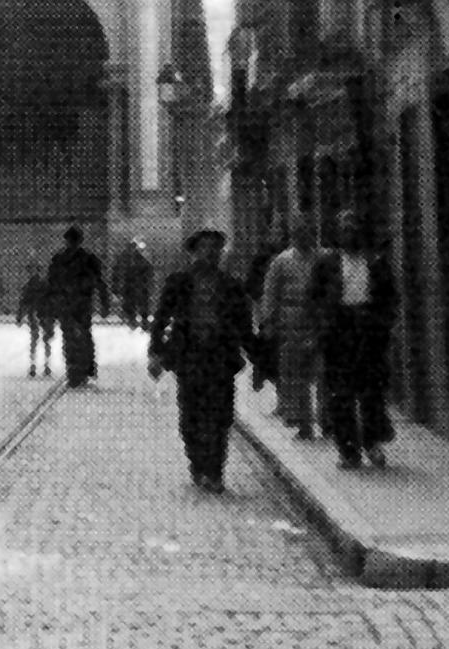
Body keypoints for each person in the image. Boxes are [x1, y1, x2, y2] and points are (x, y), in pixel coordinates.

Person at [148, 226, 256, 493]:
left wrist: (258, 359)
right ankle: (198, 463)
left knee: (221, 415)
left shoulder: (231, 285)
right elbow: (161, 317)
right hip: (190, 357)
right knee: (191, 415)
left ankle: (215, 470)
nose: (211, 253)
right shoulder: (179, 281)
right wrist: (155, 352)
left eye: (215, 248)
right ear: (194, 251)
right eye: (205, 247)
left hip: (220, 358)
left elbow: (243, 325)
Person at [311, 210, 398, 470]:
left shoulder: (375, 262)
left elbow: (390, 298)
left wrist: (382, 325)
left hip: (369, 333)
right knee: (341, 394)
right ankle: (348, 451)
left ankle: (372, 442)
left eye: (354, 228)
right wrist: (322, 327)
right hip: (339, 333)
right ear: (338, 233)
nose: (350, 234)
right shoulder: (327, 264)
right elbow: (313, 298)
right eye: (345, 229)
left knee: (372, 391)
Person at [257, 221, 321, 439]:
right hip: (290, 322)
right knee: (295, 374)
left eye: (308, 232)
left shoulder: (322, 259)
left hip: (318, 322)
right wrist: (268, 321)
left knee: (323, 372)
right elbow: (270, 292)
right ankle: (303, 422)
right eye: (299, 233)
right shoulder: (281, 262)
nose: (304, 237)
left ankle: (327, 418)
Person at [46, 225, 111, 388]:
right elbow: (100, 283)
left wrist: (51, 306)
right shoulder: (88, 259)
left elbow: (51, 285)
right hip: (79, 304)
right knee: (81, 337)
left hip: (69, 304)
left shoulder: (60, 259)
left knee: (72, 337)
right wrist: (104, 304)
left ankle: (76, 370)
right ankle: (82, 369)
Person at [16, 270, 57, 378]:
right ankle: (46, 366)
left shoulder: (29, 287)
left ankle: (34, 366)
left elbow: (23, 303)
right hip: (45, 315)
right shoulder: (46, 286)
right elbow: (53, 302)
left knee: (35, 340)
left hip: (35, 314)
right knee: (45, 341)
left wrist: (20, 317)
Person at [127, 242, 155, 330]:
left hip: (140, 287)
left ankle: (139, 322)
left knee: (142, 305)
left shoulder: (134, 262)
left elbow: (149, 274)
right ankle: (141, 323)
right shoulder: (140, 262)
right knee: (142, 305)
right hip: (140, 287)